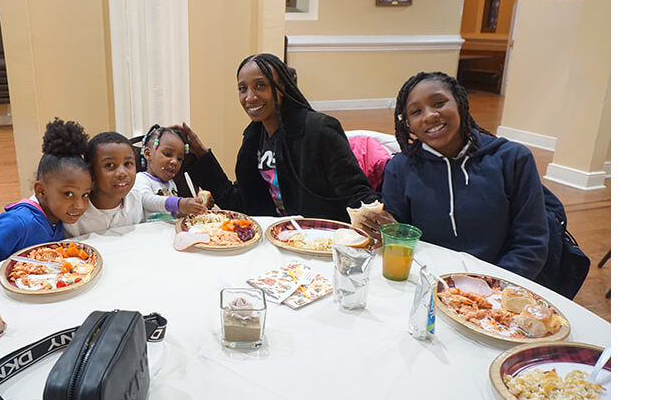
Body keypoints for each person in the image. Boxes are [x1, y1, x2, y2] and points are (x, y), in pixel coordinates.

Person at [372, 71, 548, 280]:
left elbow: (531, 243)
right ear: (408, 124)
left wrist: (494, 285)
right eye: (416, 111)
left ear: (460, 104)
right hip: (428, 282)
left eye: (439, 103)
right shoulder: (399, 168)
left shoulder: (512, 159)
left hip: (498, 286)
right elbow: (400, 238)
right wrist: (380, 228)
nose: (429, 115)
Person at [174, 53, 380, 223]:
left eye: (260, 86)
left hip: (319, 240)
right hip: (276, 240)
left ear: (282, 88)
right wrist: (201, 155)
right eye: (242, 88)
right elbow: (240, 203)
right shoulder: (254, 138)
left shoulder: (319, 129)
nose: (250, 97)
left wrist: (377, 216)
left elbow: (356, 194)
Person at [0, 119, 93, 275]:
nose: (79, 205)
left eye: (85, 195)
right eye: (68, 194)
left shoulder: (56, 217)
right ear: (41, 191)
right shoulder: (16, 224)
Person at [64, 131, 143, 236]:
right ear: (90, 172)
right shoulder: (72, 213)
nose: (122, 173)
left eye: (128, 164)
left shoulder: (137, 202)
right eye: (109, 165)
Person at [134, 124, 208, 220]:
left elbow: (173, 214)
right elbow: (147, 201)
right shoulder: (141, 179)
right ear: (148, 154)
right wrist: (179, 203)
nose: (174, 162)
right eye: (167, 154)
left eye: (180, 158)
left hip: (168, 231)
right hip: (150, 232)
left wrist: (193, 209)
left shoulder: (171, 184)